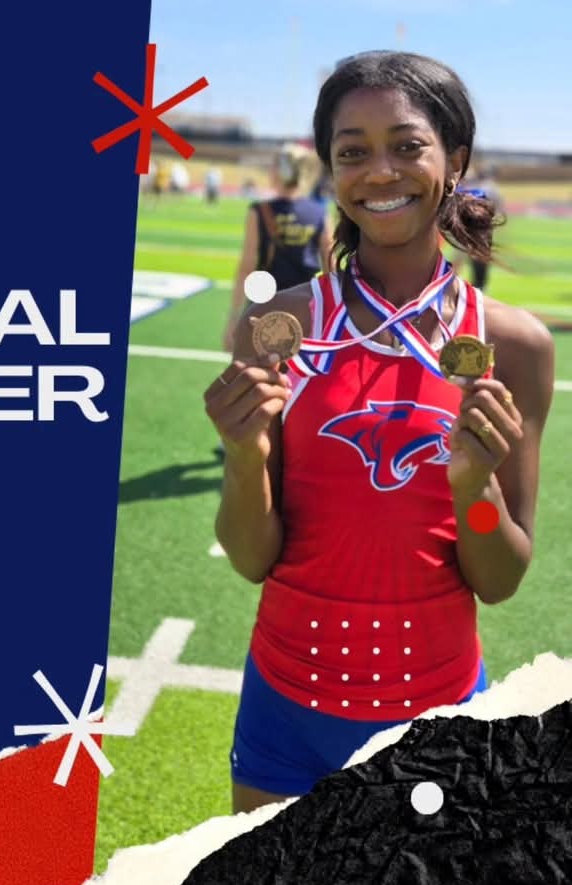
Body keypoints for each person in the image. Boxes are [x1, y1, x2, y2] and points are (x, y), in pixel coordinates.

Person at [202, 51, 554, 814]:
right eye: (352, 151)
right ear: (331, 171)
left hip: (438, 717)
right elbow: (250, 555)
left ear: (454, 161)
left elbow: (499, 577)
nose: (380, 170)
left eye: (407, 145)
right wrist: (242, 455)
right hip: (286, 710)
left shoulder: (514, 346)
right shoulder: (277, 328)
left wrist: (475, 489)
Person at [222, 143, 333, 354]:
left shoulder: (259, 211)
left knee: (257, 376)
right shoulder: (319, 212)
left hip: (264, 305)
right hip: (306, 305)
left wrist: (234, 317)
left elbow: (246, 267)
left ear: (281, 171)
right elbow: (331, 267)